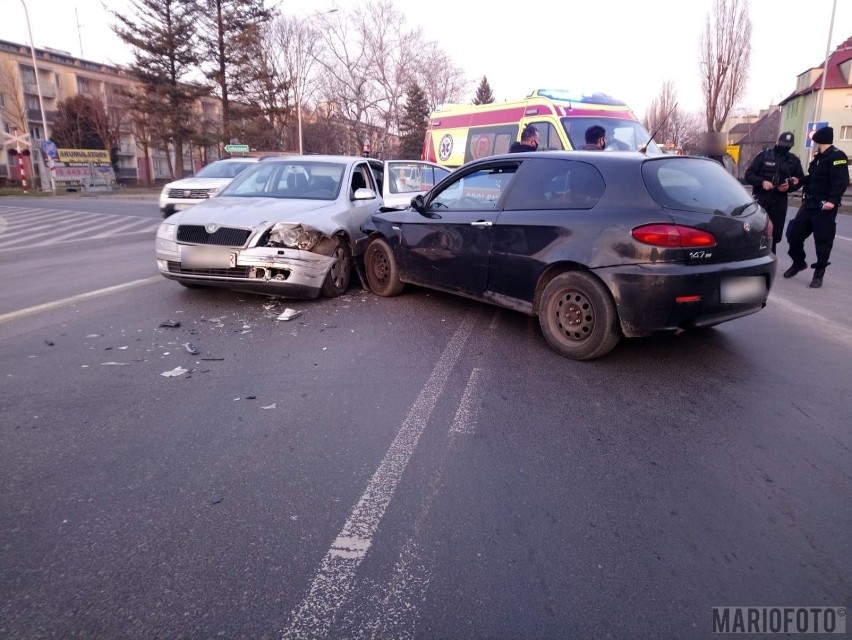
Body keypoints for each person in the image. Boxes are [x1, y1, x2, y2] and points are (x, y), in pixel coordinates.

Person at [783, 126, 850, 288]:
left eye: (814, 140)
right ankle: (798, 262)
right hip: (809, 203)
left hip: (824, 206)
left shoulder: (837, 156)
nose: (813, 143)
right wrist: (800, 181)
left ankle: (819, 273)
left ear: (820, 141)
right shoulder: (818, 157)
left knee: (823, 241)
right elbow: (813, 177)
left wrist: (832, 201)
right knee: (794, 234)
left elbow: (841, 181)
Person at [743, 131, 805, 253]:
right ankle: (752, 257)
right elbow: (748, 175)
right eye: (783, 144)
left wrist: (789, 187)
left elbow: (800, 180)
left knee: (775, 235)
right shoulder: (764, 156)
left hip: (779, 200)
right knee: (757, 231)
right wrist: (762, 182)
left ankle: (769, 258)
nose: (784, 147)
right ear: (777, 141)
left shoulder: (793, 161)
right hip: (761, 198)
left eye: (788, 145)